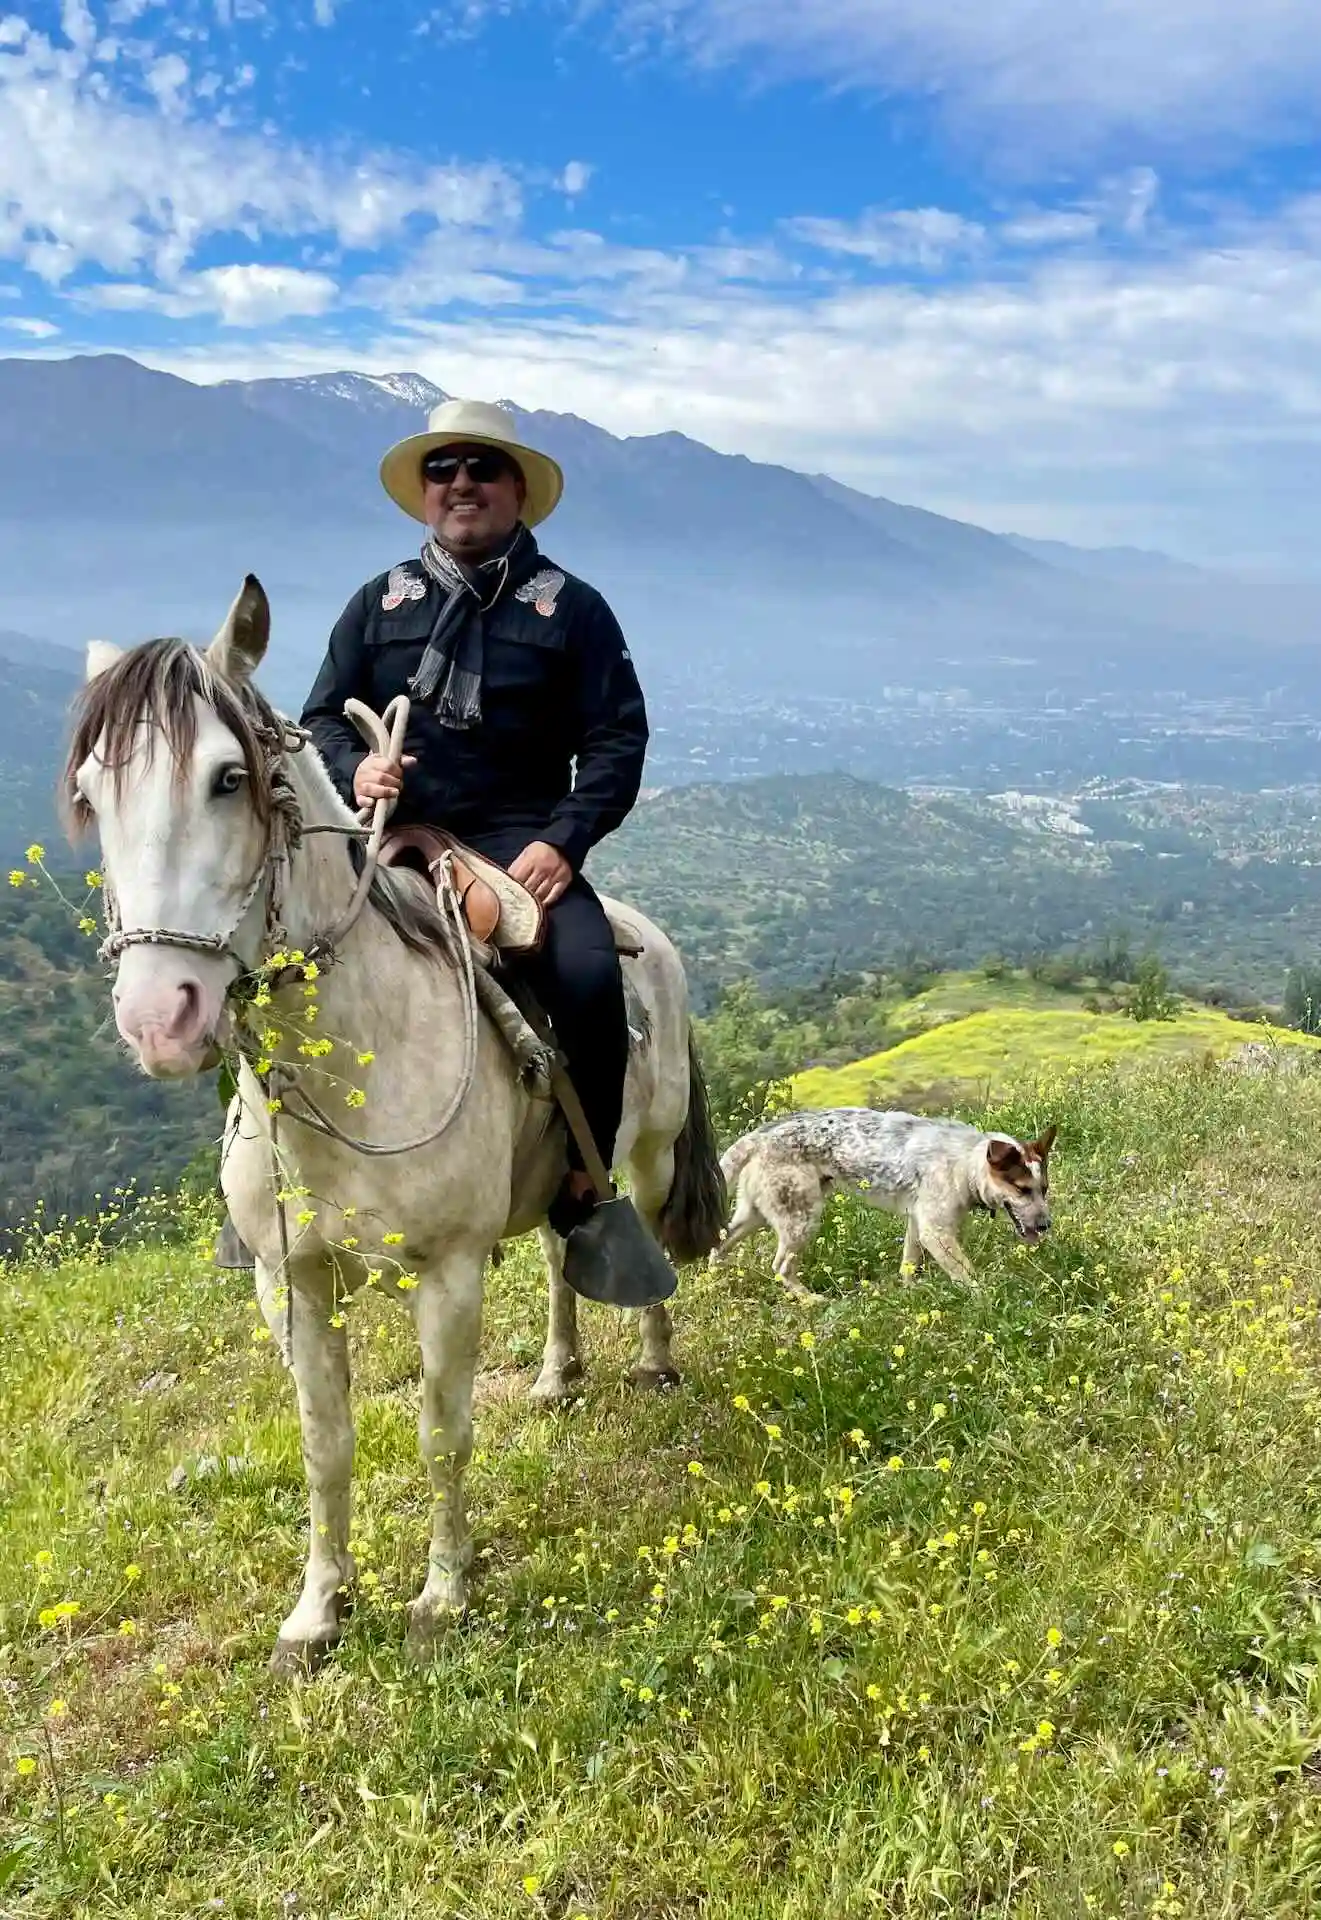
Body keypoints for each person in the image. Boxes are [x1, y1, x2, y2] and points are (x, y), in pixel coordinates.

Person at [301, 398, 648, 1236]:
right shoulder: (375, 603)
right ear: (423, 492)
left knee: (590, 976)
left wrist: (562, 843)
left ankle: (584, 1182)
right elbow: (314, 722)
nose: (461, 483)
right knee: (266, 965)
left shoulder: (572, 608)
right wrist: (358, 768)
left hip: (515, 843)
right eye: (442, 469)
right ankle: (265, 1184)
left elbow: (615, 739)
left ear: (517, 489)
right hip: (385, 837)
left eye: (481, 468)